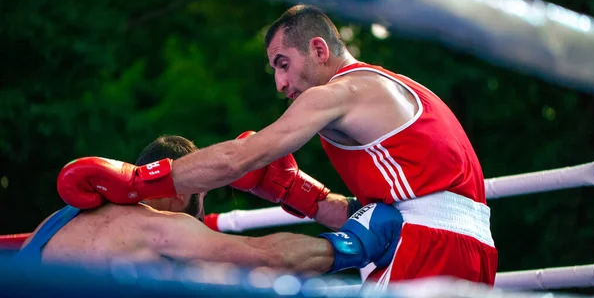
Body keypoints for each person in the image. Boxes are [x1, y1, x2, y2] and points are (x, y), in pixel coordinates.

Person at [57, 5, 497, 289]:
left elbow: (240, 158)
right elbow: (394, 209)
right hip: (472, 247)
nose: (280, 83)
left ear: (319, 48)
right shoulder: (397, 87)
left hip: (425, 244)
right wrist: (307, 197)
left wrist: (137, 183)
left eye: (283, 64)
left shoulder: (336, 93)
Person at [17, 135, 404, 277]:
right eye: (201, 199)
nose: (201, 215)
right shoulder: (161, 226)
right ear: (185, 192)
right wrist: (351, 243)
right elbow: (265, 257)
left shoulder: (62, 218)